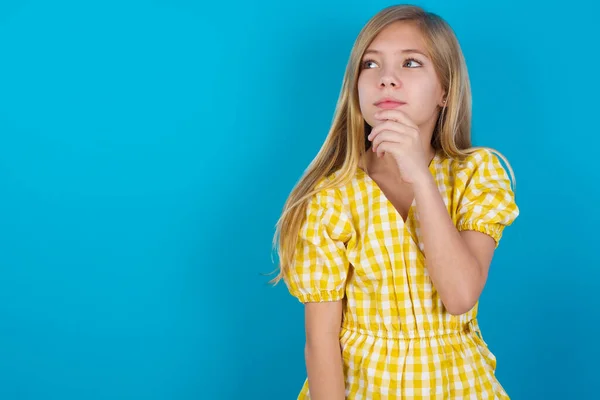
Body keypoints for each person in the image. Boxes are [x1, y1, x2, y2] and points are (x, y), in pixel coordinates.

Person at [271, 4, 519, 399]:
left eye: (411, 63)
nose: (386, 79)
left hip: (460, 387)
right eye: (370, 66)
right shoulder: (330, 199)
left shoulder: (477, 173)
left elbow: (459, 295)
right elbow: (321, 345)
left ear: (445, 91)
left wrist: (420, 176)